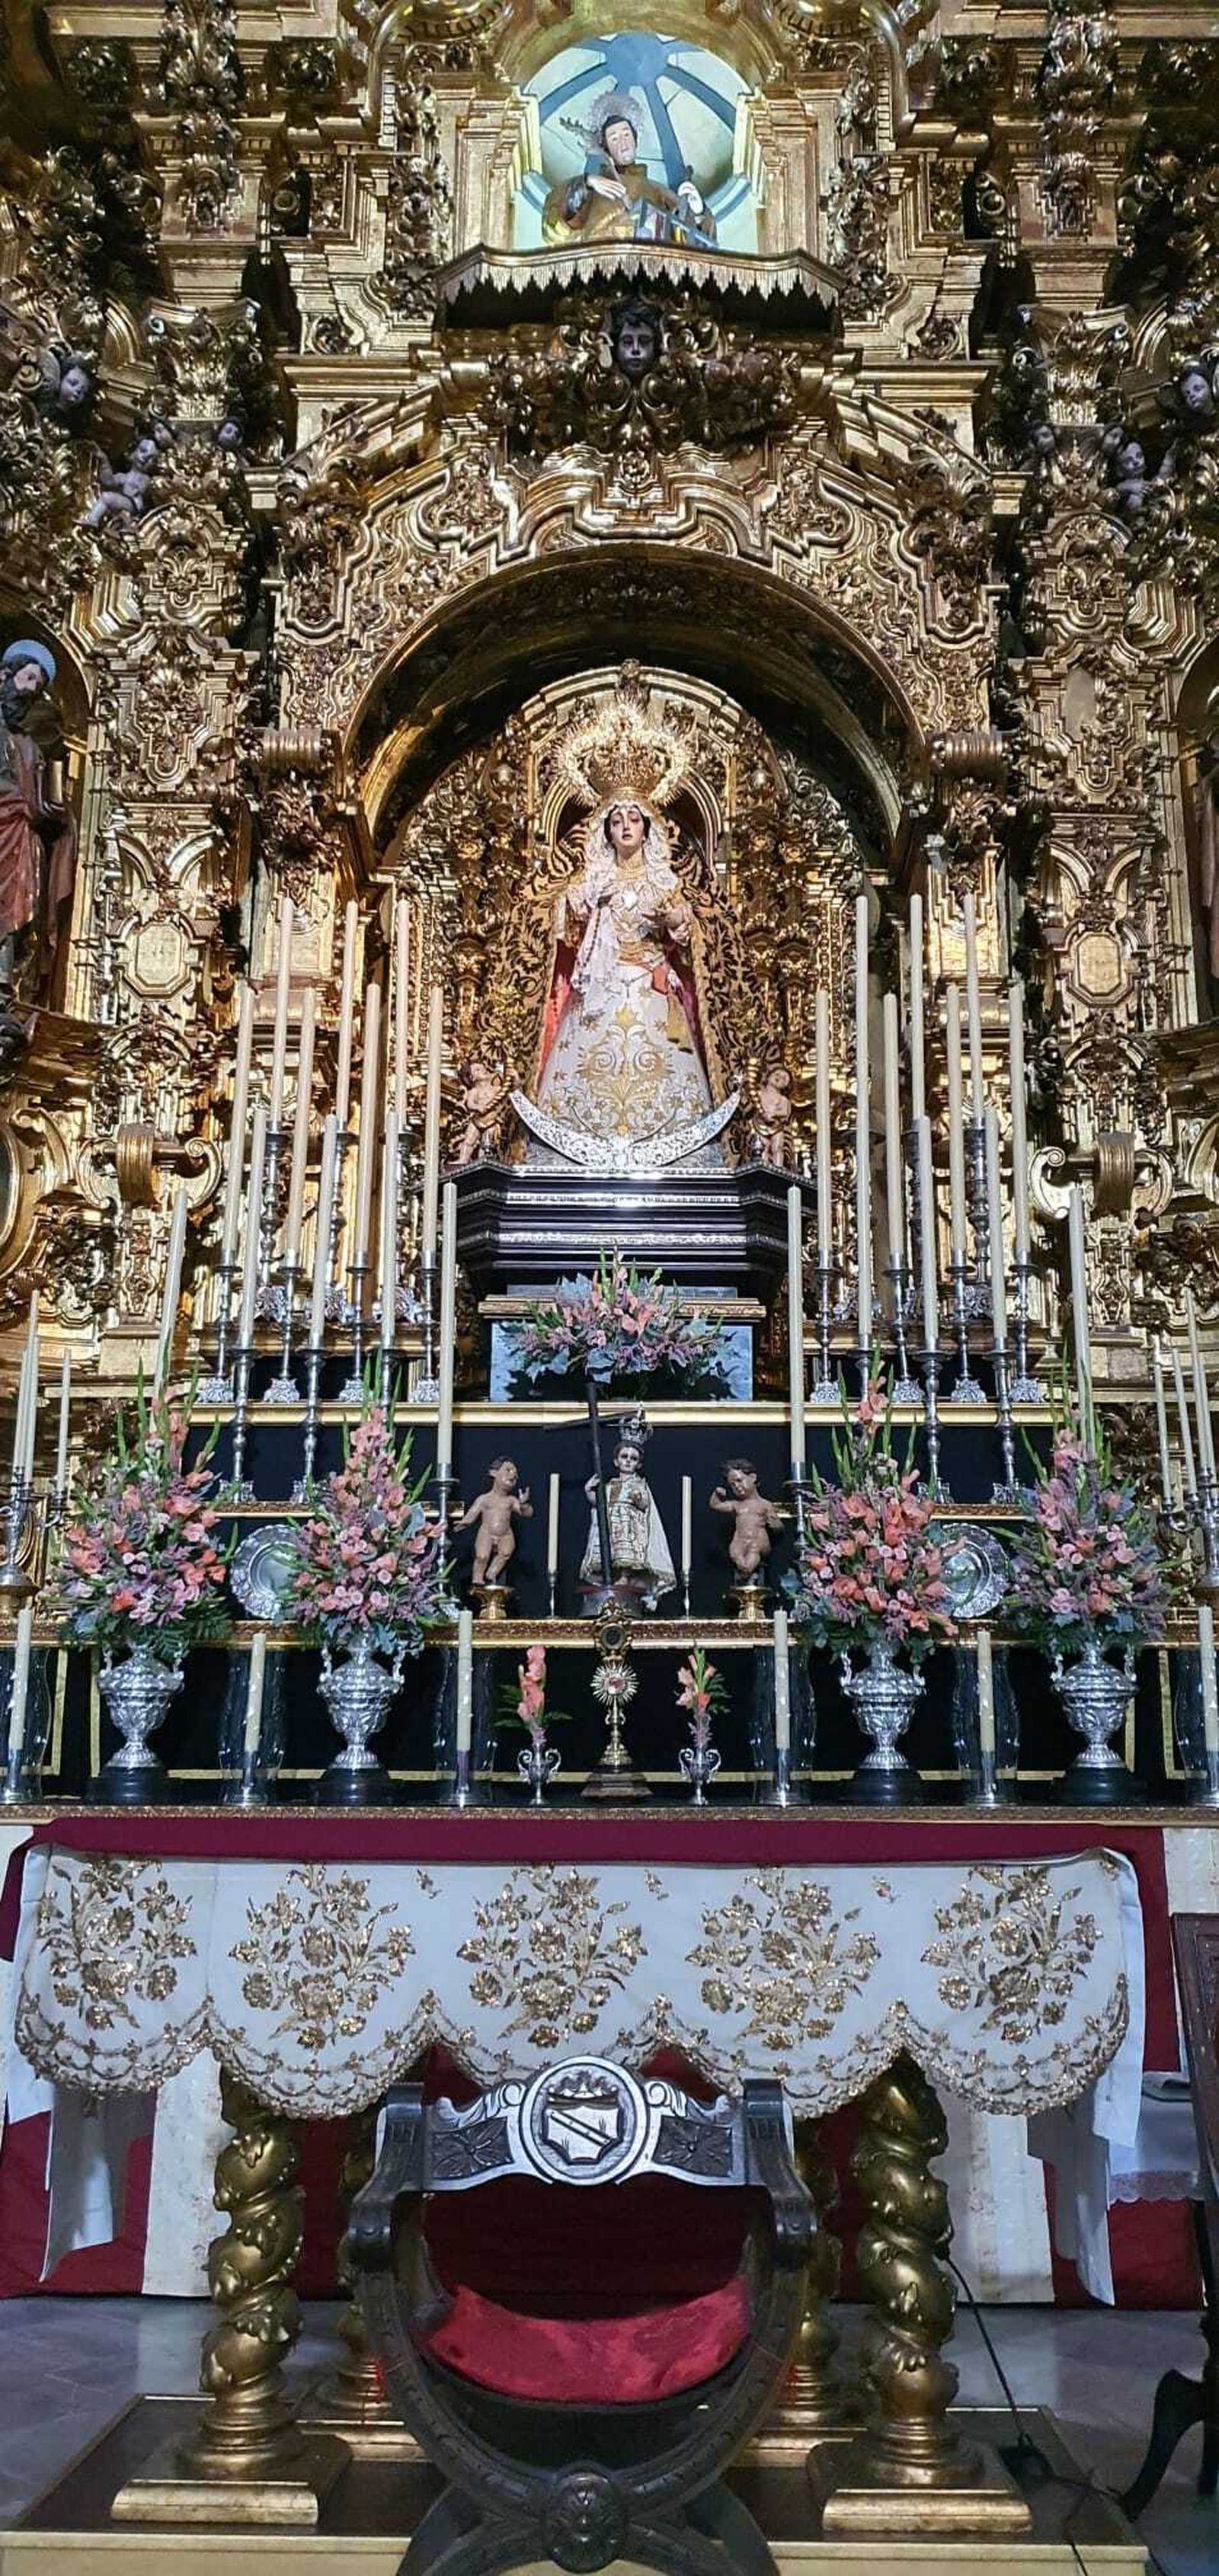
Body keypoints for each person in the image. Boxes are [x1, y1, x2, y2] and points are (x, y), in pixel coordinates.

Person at [536, 796, 714, 1148]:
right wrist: (583, 903)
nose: (626, 827)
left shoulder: (663, 881)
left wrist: (671, 919)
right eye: (617, 822)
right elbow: (567, 927)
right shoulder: (594, 879)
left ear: (647, 830)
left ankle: (666, 1140)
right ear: (608, 832)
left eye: (634, 819)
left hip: (650, 982)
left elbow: (686, 925)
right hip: (603, 985)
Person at [543, 91, 715, 250]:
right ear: (605, 147)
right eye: (614, 138)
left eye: (626, 134)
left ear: (635, 140)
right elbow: (553, 231)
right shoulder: (592, 190)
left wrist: (699, 211)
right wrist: (586, 182)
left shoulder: (658, 191)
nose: (623, 143)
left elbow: (698, 248)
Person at [0, 641, 76, 998]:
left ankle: (5, 988)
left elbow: (47, 806)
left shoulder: (29, 744)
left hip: (17, 841)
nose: (30, 690)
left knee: (15, 909)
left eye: (38, 686)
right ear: (5, 674)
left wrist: (56, 811)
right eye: (28, 678)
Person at [580, 1422, 674, 1610]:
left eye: (633, 1458)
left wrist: (638, 1498)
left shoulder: (639, 1484)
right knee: (611, 1552)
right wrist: (589, 1491)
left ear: (639, 1464)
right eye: (624, 1457)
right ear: (616, 1461)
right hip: (611, 1526)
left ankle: (625, 1576)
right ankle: (613, 1577)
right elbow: (599, 1505)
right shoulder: (610, 1485)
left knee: (626, 1553)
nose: (628, 1461)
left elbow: (645, 1505)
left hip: (629, 1527)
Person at [457, 1458, 533, 1588]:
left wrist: (523, 1504)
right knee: (482, 1556)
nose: (513, 1475)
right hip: (487, 1532)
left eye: (515, 1473)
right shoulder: (485, 1499)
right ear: (494, 1473)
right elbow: (472, 1514)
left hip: (505, 1534)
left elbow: (527, 1513)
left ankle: (492, 1573)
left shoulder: (511, 1500)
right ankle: (478, 1578)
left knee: (506, 1553)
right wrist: (462, 1524)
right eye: (508, 1470)